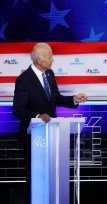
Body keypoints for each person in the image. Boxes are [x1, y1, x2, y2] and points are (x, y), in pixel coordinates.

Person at [13, 42, 88, 204]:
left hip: (53, 133)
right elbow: (18, 109)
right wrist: (38, 115)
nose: (53, 60)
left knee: (52, 174)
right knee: (35, 175)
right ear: (39, 60)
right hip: (33, 136)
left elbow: (56, 98)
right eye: (49, 57)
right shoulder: (24, 80)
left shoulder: (49, 74)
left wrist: (74, 99)